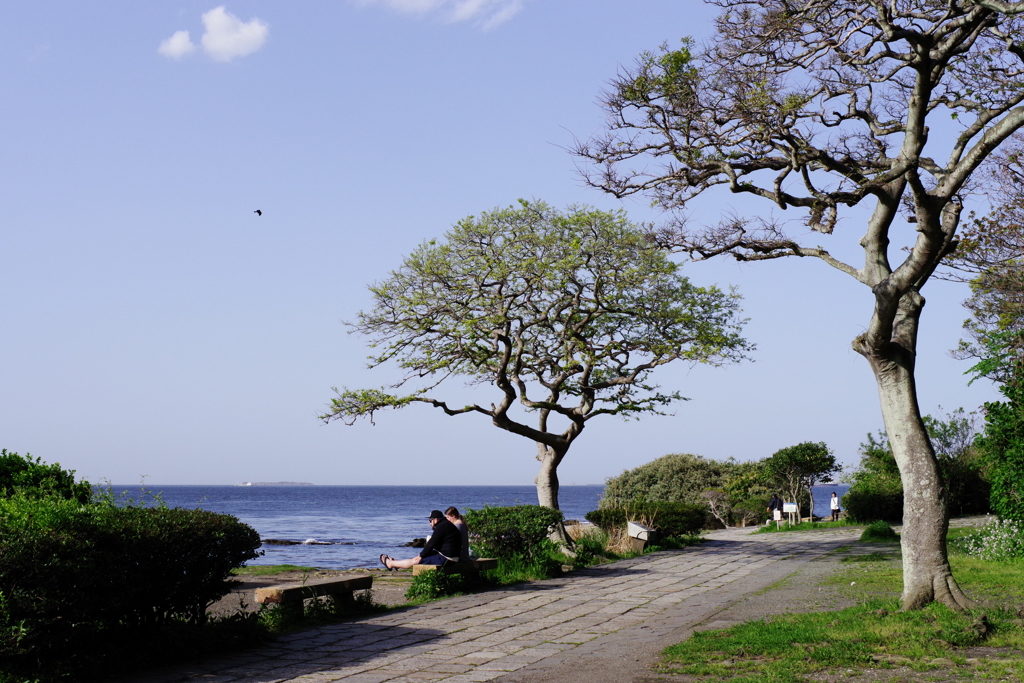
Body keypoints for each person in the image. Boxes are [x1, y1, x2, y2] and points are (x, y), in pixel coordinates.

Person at [382, 510, 462, 570]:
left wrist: (421, 556)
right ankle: (397, 564)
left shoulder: (441, 527)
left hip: (446, 559)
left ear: (436, 520)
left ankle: (391, 564)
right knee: (418, 557)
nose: (430, 523)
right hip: (450, 557)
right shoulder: (446, 525)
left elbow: (432, 543)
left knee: (416, 561)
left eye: (430, 521)